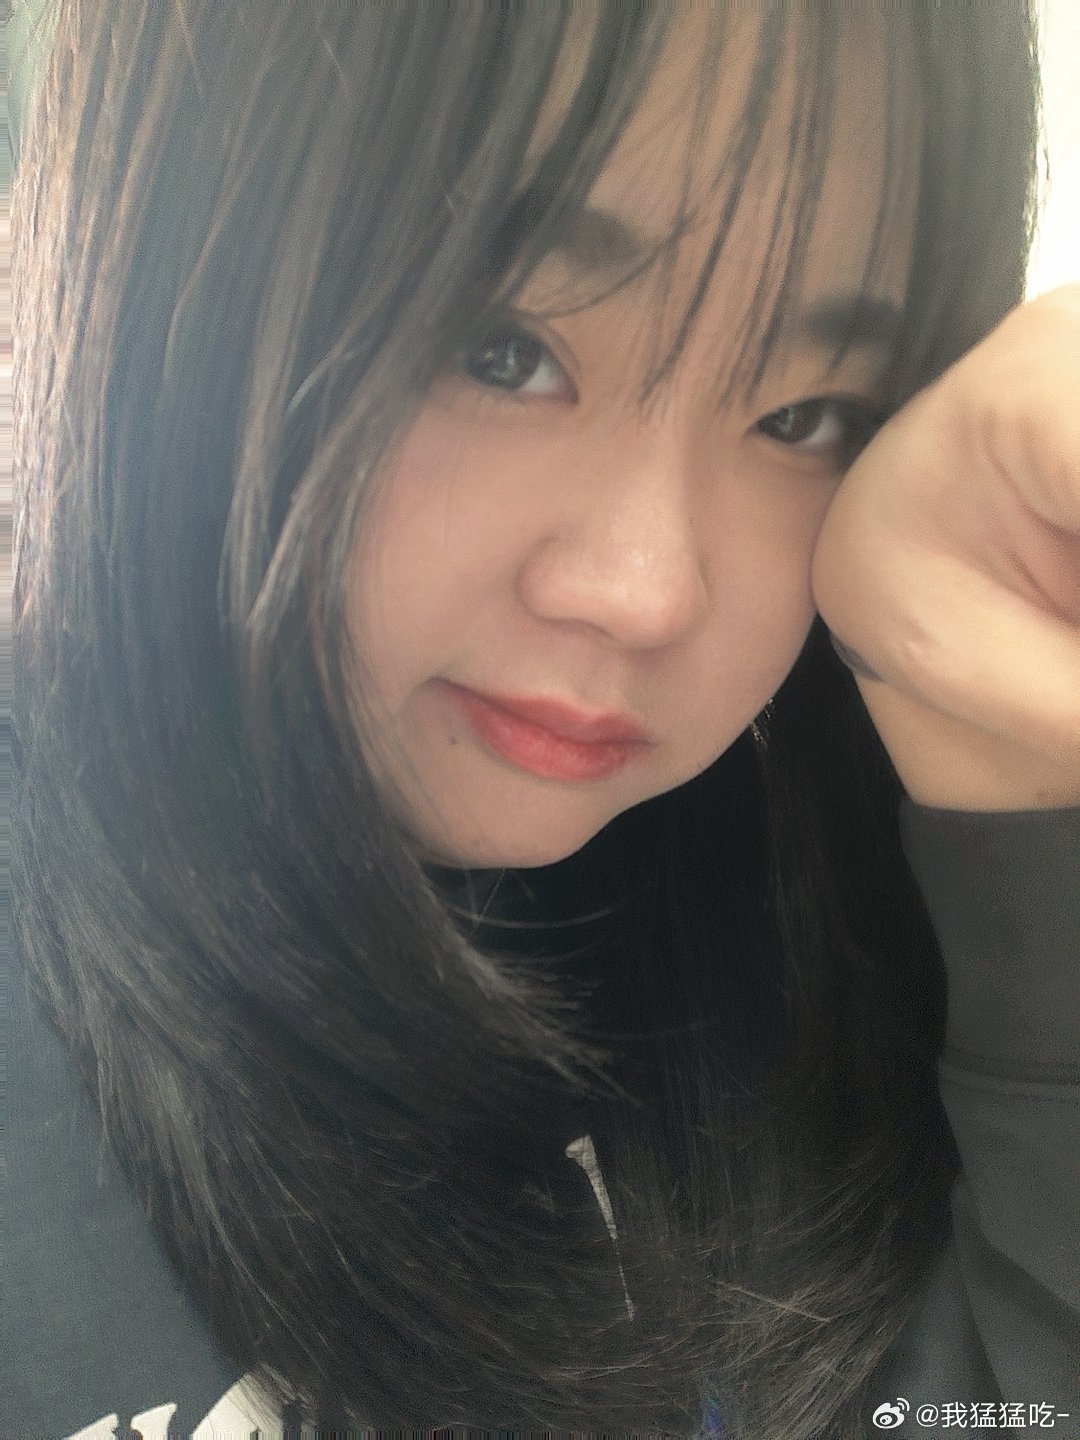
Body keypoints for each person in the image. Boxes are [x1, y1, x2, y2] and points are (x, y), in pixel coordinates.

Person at [6, 2, 1078, 1436]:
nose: (648, 591)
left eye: (805, 414)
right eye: (501, 349)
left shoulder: (830, 886)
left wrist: (1007, 778)